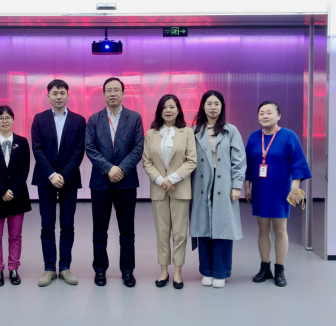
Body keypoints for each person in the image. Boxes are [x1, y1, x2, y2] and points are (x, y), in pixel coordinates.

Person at [245, 101, 312, 288]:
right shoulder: (254, 137)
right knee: (263, 229)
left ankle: (280, 269)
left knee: (281, 230)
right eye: (261, 113)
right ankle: (265, 267)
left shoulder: (289, 136)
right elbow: (248, 164)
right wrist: (247, 186)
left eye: (269, 112)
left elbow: (298, 163)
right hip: (260, 189)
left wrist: (295, 187)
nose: (265, 116)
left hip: (281, 190)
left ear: (279, 116)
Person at [85, 77, 144, 288]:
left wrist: (121, 169)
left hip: (126, 183)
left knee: (127, 231)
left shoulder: (134, 118)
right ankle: (100, 270)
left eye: (116, 90)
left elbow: (138, 148)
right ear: (103, 94)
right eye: (109, 90)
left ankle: (127, 271)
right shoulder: (94, 119)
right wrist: (109, 168)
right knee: (99, 231)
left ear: (123, 93)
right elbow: (90, 148)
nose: (112, 93)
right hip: (100, 183)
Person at [31, 80, 87, 287]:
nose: (58, 96)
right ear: (48, 96)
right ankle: (49, 268)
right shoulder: (39, 119)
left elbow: (79, 150)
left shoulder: (78, 120)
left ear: (68, 95)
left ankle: (65, 268)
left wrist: (63, 174)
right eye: (54, 93)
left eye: (62, 93)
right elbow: (37, 149)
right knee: (47, 225)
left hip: (69, 179)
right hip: (45, 179)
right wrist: (51, 174)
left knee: (67, 224)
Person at [190, 90, 246, 289]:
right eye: (209, 103)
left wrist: (237, 186)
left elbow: (239, 160)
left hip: (224, 184)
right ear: (203, 106)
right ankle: (207, 271)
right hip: (201, 184)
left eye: (217, 104)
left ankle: (220, 272)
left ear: (222, 107)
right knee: (203, 227)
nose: (213, 107)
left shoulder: (231, 130)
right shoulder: (194, 131)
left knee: (223, 227)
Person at [143, 95, 197, 290]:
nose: (168, 110)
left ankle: (178, 273)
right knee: (162, 232)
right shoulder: (151, 133)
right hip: (159, 190)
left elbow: (191, 160)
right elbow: (147, 161)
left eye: (172, 107)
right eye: (164, 107)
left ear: (178, 110)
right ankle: (164, 271)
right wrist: (160, 180)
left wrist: (171, 179)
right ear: (159, 110)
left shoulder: (187, 132)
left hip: (180, 189)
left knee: (180, 234)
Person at [0, 106, 32, 287]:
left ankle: (13, 268)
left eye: (8, 117)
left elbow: (25, 169)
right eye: (0, 118)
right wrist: (2, 190)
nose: (4, 121)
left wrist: (13, 191)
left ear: (13, 120)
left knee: (15, 236)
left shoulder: (22, 142)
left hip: (17, 196)